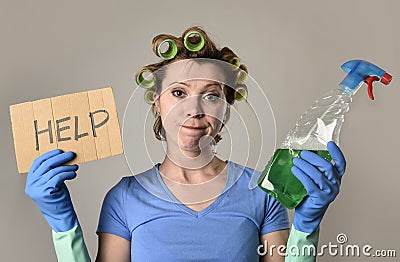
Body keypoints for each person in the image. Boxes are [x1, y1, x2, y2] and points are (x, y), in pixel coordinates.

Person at [25, 26, 346, 262]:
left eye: (212, 94)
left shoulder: (262, 192)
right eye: (178, 93)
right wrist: (64, 227)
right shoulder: (124, 198)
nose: (194, 110)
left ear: (226, 107)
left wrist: (307, 225)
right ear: (157, 104)